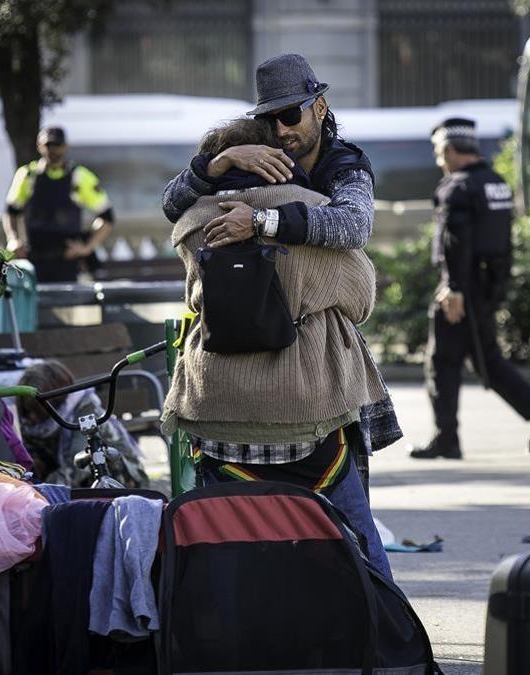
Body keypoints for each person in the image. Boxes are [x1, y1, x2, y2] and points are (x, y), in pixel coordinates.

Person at [161, 116, 393, 580]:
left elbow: (171, 200)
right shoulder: (308, 210)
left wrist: (217, 165)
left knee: (225, 536)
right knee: (356, 533)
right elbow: (360, 298)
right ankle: (390, 631)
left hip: (214, 409)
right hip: (304, 414)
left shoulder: (192, 223)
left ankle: (230, 628)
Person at [161, 52, 402, 484]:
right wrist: (218, 164)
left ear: (320, 108)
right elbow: (170, 203)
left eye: (291, 115)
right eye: (271, 120)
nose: (282, 130)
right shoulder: (257, 164)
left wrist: (258, 222)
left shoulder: (344, 165)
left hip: (311, 358)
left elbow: (353, 226)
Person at [410, 118, 530, 460]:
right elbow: (504, 243)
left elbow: (456, 242)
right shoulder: (496, 184)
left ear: (450, 150)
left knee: (442, 362)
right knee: (485, 360)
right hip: (487, 287)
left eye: (439, 153)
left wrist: (453, 289)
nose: (439, 161)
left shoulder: (457, 187)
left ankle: (447, 438)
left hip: (461, 289)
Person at [2, 126, 114, 282]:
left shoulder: (80, 176)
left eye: (57, 145)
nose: (53, 150)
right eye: (48, 145)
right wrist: (12, 239)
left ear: (66, 147)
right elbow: (11, 211)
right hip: (32, 258)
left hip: (67, 261)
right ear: (39, 146)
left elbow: (107, 217)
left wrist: (86, 247)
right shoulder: (27, 175)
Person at [15, 359, 149, 488]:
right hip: (67, 480)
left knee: (94, 460)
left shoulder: (86, 415)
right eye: (27, 411)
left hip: (123, 480)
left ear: (54, 401)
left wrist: (34, 491)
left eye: (36, 410)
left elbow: (75, 470)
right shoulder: (34, 425)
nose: (31, 417)